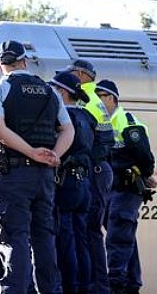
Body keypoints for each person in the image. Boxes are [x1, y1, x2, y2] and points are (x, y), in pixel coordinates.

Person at [0, 40, 74, 294]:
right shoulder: (51, 92)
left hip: (12, 175)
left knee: (14, 240)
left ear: (1, 63)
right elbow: (68, 129)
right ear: (25, 61)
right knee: (44, 239)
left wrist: (30, 152)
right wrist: (53, 155)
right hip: (44, 177)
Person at [59, 59, 114, 294]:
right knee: (89, 232)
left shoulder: (86, 98)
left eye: (71, 75)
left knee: (83, 231)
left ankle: (89, 285)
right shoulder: (95, 100)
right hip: (98, 167)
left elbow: (79, 137)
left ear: (80, 74)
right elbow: (105, 137)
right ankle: (95, 285)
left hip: (88, 170)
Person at [96, 79, 155, 294]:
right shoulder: (102, 121)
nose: (98, 100)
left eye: (101, 96)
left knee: (118, 234)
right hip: (111, 189)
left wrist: (145, 175)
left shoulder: (126, 121)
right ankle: (131, 282)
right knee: (121, 234)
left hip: (127, 188)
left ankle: (117, 283)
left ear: (111, 98)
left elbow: (144, 155)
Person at [49, 72, 95, 294]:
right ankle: (84, 287)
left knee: (65, 240)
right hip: (84, 183)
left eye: (53, 89)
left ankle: (70, 288)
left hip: (66, 184)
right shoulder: (88, 117)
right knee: (82, 241)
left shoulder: (64, 117)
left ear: (62, 92)